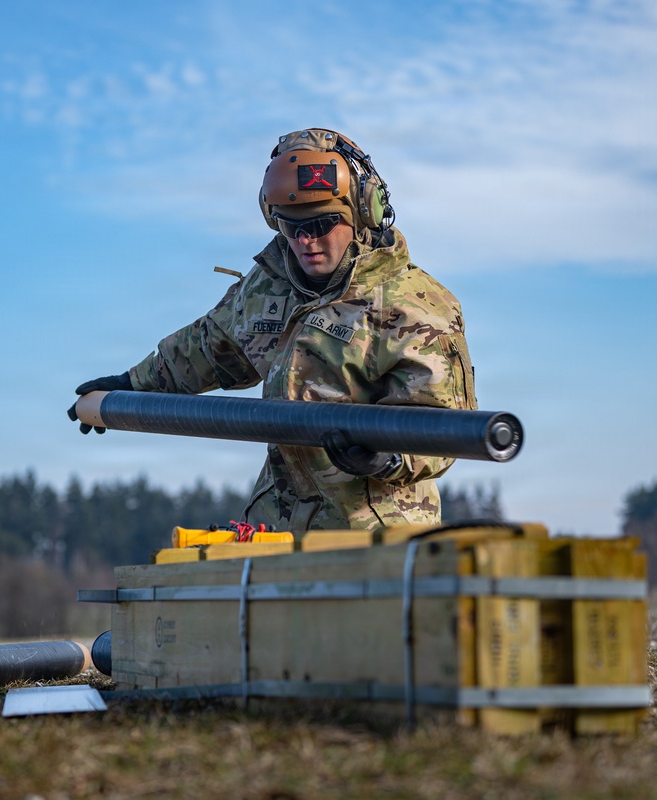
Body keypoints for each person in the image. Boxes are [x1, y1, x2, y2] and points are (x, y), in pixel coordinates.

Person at [70, 127, 477, 535]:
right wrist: (130, 386)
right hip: (279, 528)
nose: (305, 242)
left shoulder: (416, 308)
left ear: (363, 213)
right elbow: (209, 347)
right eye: (290, 226)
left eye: (322, 224)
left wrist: (386, 457)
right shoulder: (269, 284)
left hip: (376, 536)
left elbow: (444, 423)